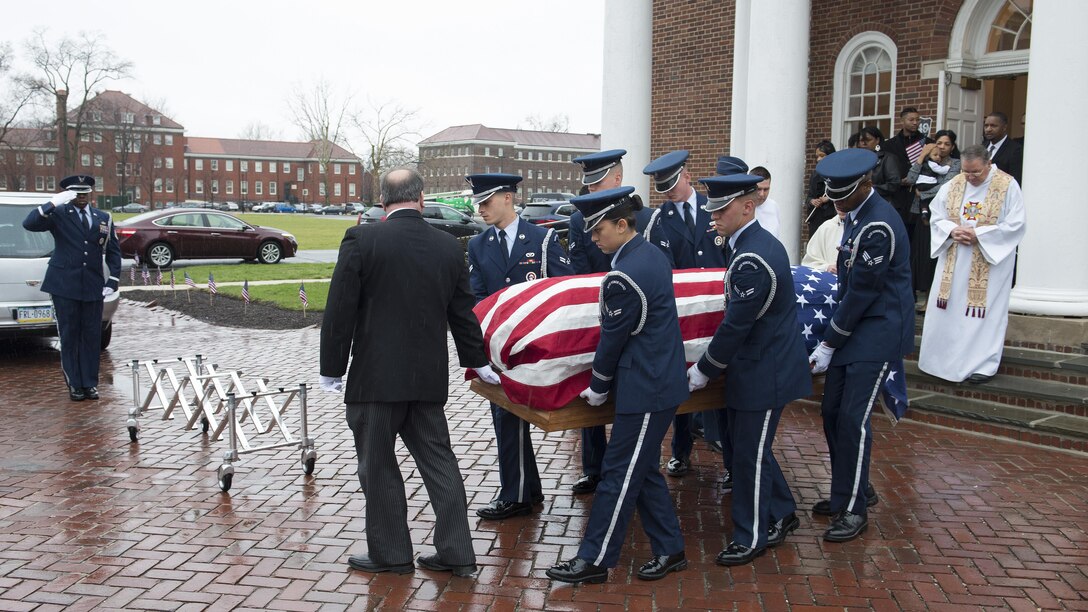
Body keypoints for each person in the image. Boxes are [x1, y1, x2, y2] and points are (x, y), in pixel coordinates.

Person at [319, 168, 495, 576]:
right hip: (427, 379)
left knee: (377, 466)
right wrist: (478, 360)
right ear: (420, 198)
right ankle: (456, 552)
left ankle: (391, 554)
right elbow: (463, 314)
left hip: (375, 382)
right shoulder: (449, 247)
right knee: (440, 465)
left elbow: (340, 308)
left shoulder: (361, 239)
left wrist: (332, 368)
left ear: (383, 202)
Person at [546, 186, 689, 585]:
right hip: (657, 379)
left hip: (647, 386)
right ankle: (670, 548)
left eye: (598, 230)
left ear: (623, 225)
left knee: (618, 472)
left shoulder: (623, 275)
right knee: (641, 471)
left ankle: (594, 560)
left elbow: (612, 337)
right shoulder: (650, 254)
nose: (592, 239)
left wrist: (598, 384)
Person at [686, 174, 812, 566]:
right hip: (759, 365)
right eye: (711, 209)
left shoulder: (753, 257)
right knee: (747, 448)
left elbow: (737, 323)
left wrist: (704, 369)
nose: (714, 217)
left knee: (748, 457)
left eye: (721, 209)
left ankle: (751, 535)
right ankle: (783, 511)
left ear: (747, 206)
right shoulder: (748, 245)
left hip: (764, 371)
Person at [808, 149, 914, 543]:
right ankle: (851, 488)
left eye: (843, 194)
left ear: (866, 185)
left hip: (878, 330)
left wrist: (829, 341)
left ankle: (853, 507)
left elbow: (864, 292)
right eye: (832, 194)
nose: (836, 201)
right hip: (856, 328)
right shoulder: (855, 217)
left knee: (853, 417)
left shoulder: (877, 226)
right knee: (832, 411)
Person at [466, 173, 574, 520]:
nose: (480, 209)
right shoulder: (478, 245)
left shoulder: (542, 240)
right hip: (499, 347)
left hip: (534, 346)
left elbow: (561, 290)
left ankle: (521, 491)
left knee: (517, 416)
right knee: (505, 416)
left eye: (486, 201)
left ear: (508, 198)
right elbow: (479, 298)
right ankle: (520, 491)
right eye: (478, 202)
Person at [567, 149, 653, 495]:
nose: (591, 190)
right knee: (595, 389)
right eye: (588, 183)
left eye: (598, 181)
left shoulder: (643, 218)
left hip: (638, 317)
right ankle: (594, 467)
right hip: (598, 313)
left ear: (617, 179)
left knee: (633, 394)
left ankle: (636, 463)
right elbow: (579, 270)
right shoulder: (579, 219)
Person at [642, 150, 727, 479]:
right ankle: (680, 451)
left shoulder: (716, 207)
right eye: (662, 187)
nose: (669, 191)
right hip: (685, 312)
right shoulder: (659, 220)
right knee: (682, 381)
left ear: (687, 176)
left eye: (673, 183)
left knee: (721, 379)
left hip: (719, 307)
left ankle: (725, 447)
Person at [918, 144, 1026, 384]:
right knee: (949, 310)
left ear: (988, 164)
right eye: (967, 172)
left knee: (979, 314)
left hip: (989, 263)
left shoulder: (1007, 185)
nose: (970, 178)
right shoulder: (954, 183)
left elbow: (1016, 225)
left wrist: (980, 235)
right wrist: (952, 230)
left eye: (976, 172)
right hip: (954, 260)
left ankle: (981, 365)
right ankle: (939, 362)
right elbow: (937, 216)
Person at [23, 175, 120, 402]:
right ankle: (75, 384)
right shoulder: (58, 214)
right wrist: (53, 203)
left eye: (85, 192)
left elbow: (114, 251)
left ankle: (90, 383)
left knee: (91, 337)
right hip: (64, 285)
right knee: (69, 336)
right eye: (77, 193)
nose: (82, 196)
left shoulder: (102, 217)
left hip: (93, 286)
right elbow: (29, 223)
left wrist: (113, 279)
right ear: (69, 194)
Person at [906, 130, 961, 306]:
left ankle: (933, 296)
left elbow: (946, 186)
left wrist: (922, 194)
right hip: (921, 215)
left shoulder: (956, 164)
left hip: (943, 215)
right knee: (920, 255)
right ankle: (919, 296)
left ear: (952, 147)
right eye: (939, 143)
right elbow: (910, 178)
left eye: (946, 144)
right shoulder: (927, 159)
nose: (942, 147)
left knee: (936, 256)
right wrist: (922, 156)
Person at [883, 107, 934, 228]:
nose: (915, 123)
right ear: (902, 120)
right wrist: (898, 181)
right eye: (911, 120)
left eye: (917, 120)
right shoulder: (889, 145)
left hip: (919, 194)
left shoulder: (928, 143)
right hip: (898, 195)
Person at [856, 127, 903, 210]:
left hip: (883, 204)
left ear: (877, 140)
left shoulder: (888, 158)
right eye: (861, 140)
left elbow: (894, 183)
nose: (864, 143)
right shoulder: (857, 160)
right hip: (860, 205)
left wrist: (868, 189)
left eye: (868, 140)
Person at [805, 141, 837, 238]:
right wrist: (812, 201)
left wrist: (828, 198)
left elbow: (844, 193)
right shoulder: (815, 174)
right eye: (817, 156)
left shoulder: (837, 173)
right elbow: (809, 196)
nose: (818, 159)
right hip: (816, 217)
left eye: (822, 156)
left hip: (831, 216)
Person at [983, 111, 1023, 186]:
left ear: (1004, 127)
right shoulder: (982, 146)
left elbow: (1015, 180)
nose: (988, 129)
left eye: (993, 126)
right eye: (986, 126)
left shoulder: (1015, 149)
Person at [748, 166, 781, 239]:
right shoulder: (741, 206)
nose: (762, 194)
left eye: (766, 189)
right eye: (759, 189)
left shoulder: (774, 206)